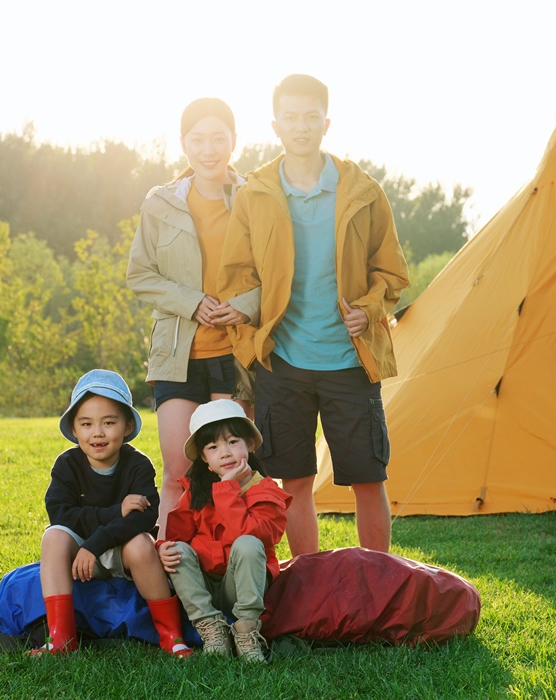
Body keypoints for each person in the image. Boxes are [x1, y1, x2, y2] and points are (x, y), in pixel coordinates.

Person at [218, 74, 409, 557]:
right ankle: (308, 581)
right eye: (290, 117)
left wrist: (368, 311)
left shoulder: (364, 190)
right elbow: (237, 276)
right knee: (294, 481)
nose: (300, 126)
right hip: (283, 363)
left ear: (326, 123)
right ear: (275, 125)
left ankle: (379, 580)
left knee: (367, 479)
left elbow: (391, 273)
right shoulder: (255, 193)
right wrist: (250, 342)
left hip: (350, 360)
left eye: (310, 117)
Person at [127, 97, 259, 539]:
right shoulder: (160, 203)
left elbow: (280, 274)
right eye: (198, 139)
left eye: (219, 138)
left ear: (234, 142)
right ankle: (172, 579)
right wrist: (191, 300)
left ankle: (243, 574)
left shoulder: (256, 198)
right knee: (178, 471)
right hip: (177, 356)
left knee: (235, 469)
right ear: (183, 143)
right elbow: (140, 274)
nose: (208, 149)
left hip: (237, 353)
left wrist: (246, 305)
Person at [32, 369, 191, 657]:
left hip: (124, 555)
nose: (98, 432)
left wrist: (98, 541)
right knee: (53, 536)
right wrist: (116, 511)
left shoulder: (138, 465)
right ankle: (61, 638)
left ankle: (171, 636)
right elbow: (61, 515)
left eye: (109, 422)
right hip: (82, 555)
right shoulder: (66, 465)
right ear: (75, 429)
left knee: (142, 542)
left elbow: (144, 518)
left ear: (127, 426)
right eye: (87, 423)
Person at [156, 400, 290, 662]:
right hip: (203, 586)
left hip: (242, 588)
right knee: (177, 550)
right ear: (205, 459)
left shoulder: (266, 491)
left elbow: (252, 533)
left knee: (249, 543)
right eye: (213, 447)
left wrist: (227, 489)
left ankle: (246, 632)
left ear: (249, 445)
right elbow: (176, 536)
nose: (225, 453)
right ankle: (212, 629)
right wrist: (162, 549)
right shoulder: (196, 492)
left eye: (232, 442)